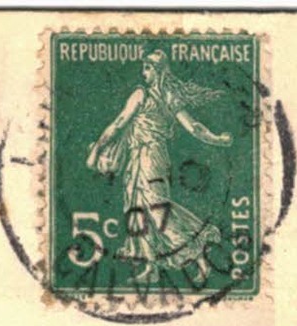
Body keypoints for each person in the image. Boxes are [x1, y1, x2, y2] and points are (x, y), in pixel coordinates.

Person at [85, 51, 233, 285]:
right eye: (144, 68)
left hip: (150, 158)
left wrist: (96, 151)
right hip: (140, 157)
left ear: (158, 70)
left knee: (157, 210)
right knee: (137, 209)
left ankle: (198, 253)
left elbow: (119, 123)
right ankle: (150, 266)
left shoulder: (142, 94)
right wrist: (217, 139)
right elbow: (193, 127)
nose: (144, 73)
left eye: (148, 68)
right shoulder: (168, 95)